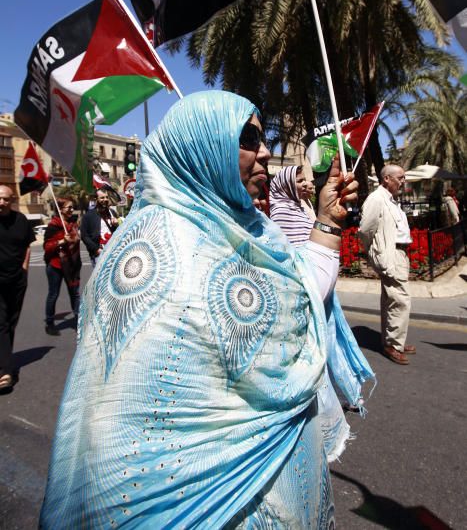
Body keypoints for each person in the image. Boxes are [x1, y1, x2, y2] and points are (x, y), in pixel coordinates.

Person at [40, 92, 373, 528]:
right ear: (204, 148)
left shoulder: (245, 229)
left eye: (264, 136)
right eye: (249, 137)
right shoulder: (168, 252)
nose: (267, 151)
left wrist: (326, 222)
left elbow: (297, 292)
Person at [359, 164, 415, 365]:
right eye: (400, 177)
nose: (403, 181)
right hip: (390, 254)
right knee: (400, 299)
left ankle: (394, 341)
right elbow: (365, 230)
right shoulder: (376, 199)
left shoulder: (390, 200)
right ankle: (393, 345)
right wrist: (375, 251)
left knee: (391, 299)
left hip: (398, 253)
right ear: (387, 179)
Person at [0, 185, 35, 392]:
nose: (1, 202)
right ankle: (6, 371)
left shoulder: (20, 220)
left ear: (12, 200)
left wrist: (24, 269)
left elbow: (28, 245)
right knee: (1, 323)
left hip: (17, 280)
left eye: (5, 199)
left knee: (10, 323)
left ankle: (4, 357)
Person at [43, 197, 81, 336]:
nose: (71, 209)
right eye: (68, 207)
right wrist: (60, 241)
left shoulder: (73, 224)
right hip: (56, 266)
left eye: (72, 207)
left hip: (72, 265)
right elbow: (47, 247)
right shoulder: (53, 225)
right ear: (60, 209)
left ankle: (78, 320)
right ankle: (50, 323)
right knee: (53, 294)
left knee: (75, 294)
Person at [269, 165, 315, 245]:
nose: (305, 184)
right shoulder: (281, 211)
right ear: (286, 185)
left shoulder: (298, 206)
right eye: (300, 181)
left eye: (304, 180)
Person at [80, 188, 119, 265]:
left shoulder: (112, 213)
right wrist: (96, 250)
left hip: (113, 253)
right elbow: (84, 236)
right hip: (99, 254)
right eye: (102, 198)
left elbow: (118, 233)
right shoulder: (89, 216)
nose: (105, 199)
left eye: (107, 197)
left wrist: (117, 225)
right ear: (96, 199)